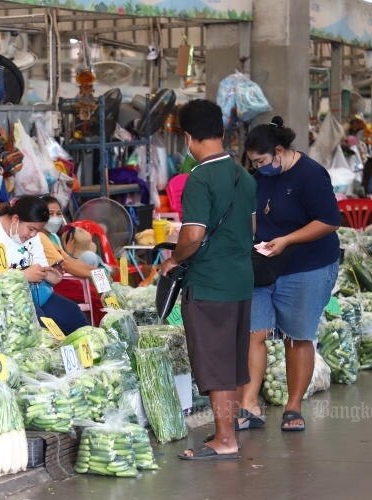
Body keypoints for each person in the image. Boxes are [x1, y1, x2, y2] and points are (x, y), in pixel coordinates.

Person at [159, 99, 256, 461]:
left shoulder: (200, 177)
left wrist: (173, 259)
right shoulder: (243, 175)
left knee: (213, 363)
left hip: (210, 284)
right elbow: (251, 228)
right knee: (230, 361)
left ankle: (225, 439)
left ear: (187, 137)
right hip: (240, 281)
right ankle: (226, 433)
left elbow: (194, 234)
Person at [240, 116, 340, 433]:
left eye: (261, 161)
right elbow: (257, 215)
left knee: (296, 337)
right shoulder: (259, 177)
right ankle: (248, 405)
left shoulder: (311, 175)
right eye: (253, 163)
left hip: (307, 265)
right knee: (254, 333)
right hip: (264, 263)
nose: (257, 167)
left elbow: (329, 221)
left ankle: (293, 407)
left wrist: (288, 240)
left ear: (280, 151)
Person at [0, 195, 89, 334]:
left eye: (37, 231)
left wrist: (48, 275)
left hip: (23, 296)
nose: (33, 235)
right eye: (31, 229)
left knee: (72, 313)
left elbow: (39, 265)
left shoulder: (33, 236)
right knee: (35, 322)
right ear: (15, 219)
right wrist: (23, 275)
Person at [37, 196, 106, 325]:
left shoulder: (53, 237)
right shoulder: (40, 236)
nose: (55, 218)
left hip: (65, 279)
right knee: (96, 297)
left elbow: (69, 260)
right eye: (50, 214)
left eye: (58, 214)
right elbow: (65, 265)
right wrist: (93, 274)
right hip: (55, 283)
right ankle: (100, 330)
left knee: (102, 290)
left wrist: (97, 272)